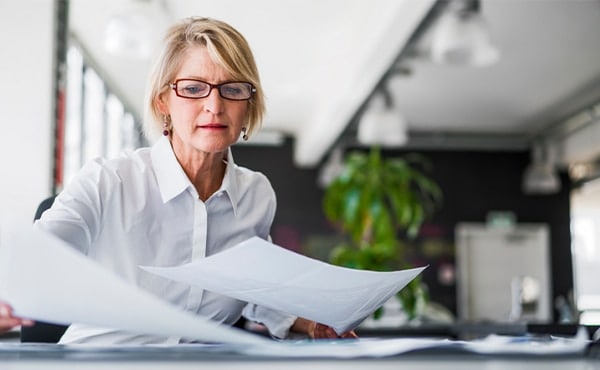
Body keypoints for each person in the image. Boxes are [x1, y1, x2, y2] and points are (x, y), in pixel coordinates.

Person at [1, 17, 357, 343]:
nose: (214, 106)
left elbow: (250, 287)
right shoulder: (109, 182)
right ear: (163, 102)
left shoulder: (255, 196)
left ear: (248, 104)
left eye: (232, 89)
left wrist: (307, 321)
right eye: (192, 88)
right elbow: (31, 261)